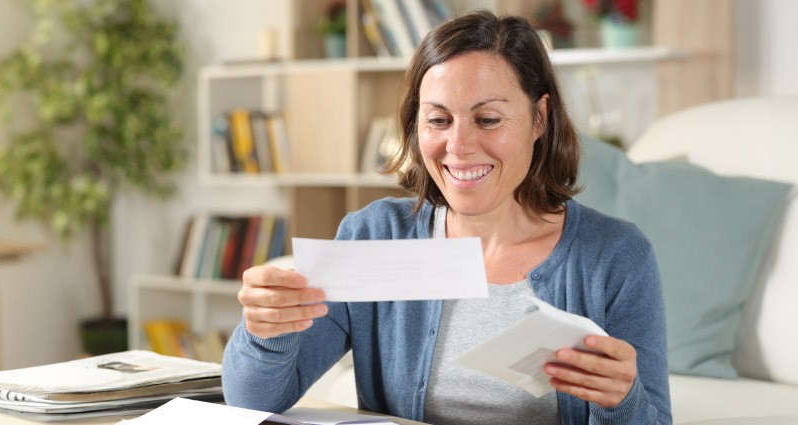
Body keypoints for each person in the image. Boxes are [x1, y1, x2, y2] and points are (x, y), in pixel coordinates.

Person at [223, 10, 670, 425]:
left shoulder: (616, 257)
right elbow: (252, 401)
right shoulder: (374, 236)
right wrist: (265, 332)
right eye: (438, 120)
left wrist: (623, 400)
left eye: (488, 119)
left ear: (539, 118)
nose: (458, 145)